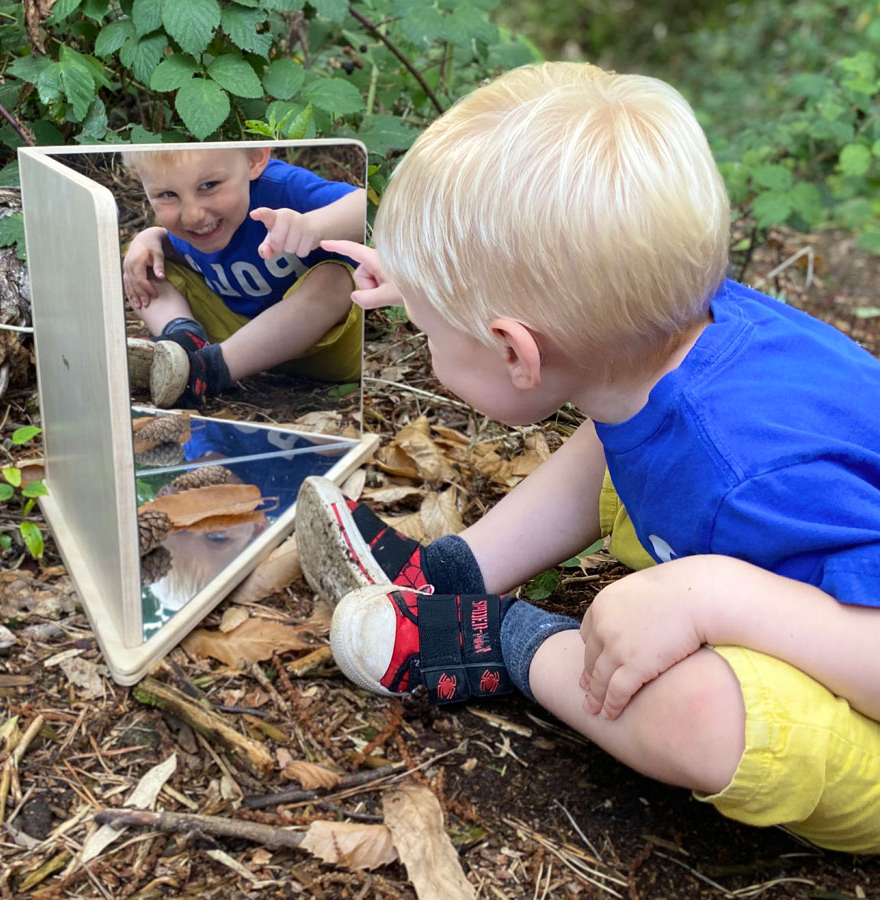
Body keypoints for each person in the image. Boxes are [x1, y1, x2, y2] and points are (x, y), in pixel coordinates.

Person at [293, 61, 880, 854]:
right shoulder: (681, 332)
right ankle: (449, 573)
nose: (426, 342)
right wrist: (433, 281)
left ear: (513, 350)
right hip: (774, 563)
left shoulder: (758, 472)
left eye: (431, 330)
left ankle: (505, 639)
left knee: (700, 716)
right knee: (619, 416)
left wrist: (714, 598)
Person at [122, 146, 366, 407]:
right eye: (168, 194)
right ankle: (183, 344)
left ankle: (206, 371)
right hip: (234, 343)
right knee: (144, 265)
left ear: (254, 161)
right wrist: (151, 238)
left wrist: (315, 226)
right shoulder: (190, 228)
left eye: (209, 185)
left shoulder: (280, 187)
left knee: (335, 278)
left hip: (325, 345)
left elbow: (365, 207)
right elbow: (169, 251)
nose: (192, 215)